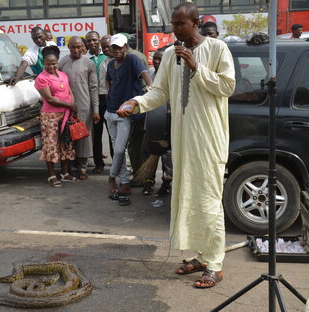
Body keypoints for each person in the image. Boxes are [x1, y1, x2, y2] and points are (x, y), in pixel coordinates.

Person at [117, 2, 235, 288]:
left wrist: (197, 68)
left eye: (180, 24)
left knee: (208, 201)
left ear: (195, 23)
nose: (174, 29)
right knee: (188, 199)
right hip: (183, 141)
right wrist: (136, 103)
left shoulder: (218, 49)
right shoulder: (171, 54)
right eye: (173, 24)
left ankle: (215, 265)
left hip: (208, 139)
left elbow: (228, 86)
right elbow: (159, 92)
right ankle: (202, 256)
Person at [106, 34, 152, 206]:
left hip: (124, 115)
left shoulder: (132, 60)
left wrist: (151, 88)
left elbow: (145, 75)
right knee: (117, 149)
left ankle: (111, 177)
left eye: (120, 47)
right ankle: (124, 182)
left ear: (126, 47)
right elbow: (109, 83)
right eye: (114, 48)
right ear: (111, 49)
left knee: (119, 150)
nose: (117, 51)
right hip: (109, 113)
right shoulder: (110, 65)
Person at [34, 46, 79, 187]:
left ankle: (65, 173)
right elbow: (50, 99)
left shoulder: (63, 75)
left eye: (54, 63)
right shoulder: (41, 78)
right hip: (50, 116)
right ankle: (52, 175)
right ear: (44, 64)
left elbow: (69, 91)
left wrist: (72, 103)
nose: (52, 66)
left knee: (66, 143)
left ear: (57, 62)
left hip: (65, 114)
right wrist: (69, 105)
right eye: (48, 64)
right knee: (51, 145)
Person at [58, 36, 100, 180]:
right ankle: (67, 167)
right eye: (73, 47)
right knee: (67, 136)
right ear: (69, 47)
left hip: (84, 106)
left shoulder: (89, 64)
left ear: (83, 47)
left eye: (79, 47)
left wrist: (95, 110)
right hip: (66, 106)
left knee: (83, 136)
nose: (76, 50)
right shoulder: (62, 63)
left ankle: (83, 167)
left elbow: (94, 88)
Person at [146, 46, 173, 198]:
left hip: (169, 121)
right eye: (155, 58)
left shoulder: (173, 75)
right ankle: (149, 181)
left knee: (167, 156)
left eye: (160, 59)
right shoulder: (150, 74)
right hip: (153, 120)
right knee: (151, 151)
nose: (156, 62)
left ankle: (166, 183)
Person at [86, 31, 109, 174]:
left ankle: (117, 164)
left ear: (99, 40)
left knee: (113, 135)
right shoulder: (85, 58)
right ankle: (98, 163)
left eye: (94, 40)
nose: (92, 43)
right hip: (93, 102)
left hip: (109, 101)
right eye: (89, 41)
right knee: (96, 135)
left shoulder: (108, 56)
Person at [98, 34, 114, 160]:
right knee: (112, 135)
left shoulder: (128, 59)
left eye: (108, 46)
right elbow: (104, 89)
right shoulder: (104, 64)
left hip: (129, 104)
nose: (106, 49)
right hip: (111, 105)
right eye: (103, 47)